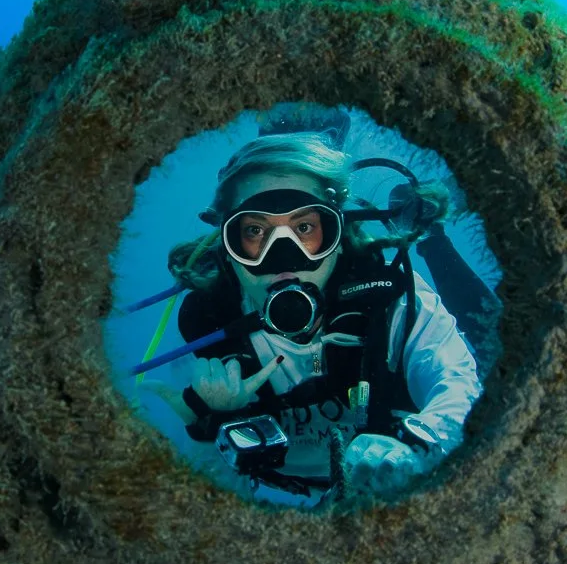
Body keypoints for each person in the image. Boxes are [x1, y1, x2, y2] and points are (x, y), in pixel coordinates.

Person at [143, 129, 484, 505]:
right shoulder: (204, 329)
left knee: (488, 341)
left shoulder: (392, 298)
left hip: (391, 492)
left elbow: (457, 383)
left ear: (336, 233)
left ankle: (433, 238)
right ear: (229, 243)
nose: (283, 257)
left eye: (305, 228)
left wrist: (417, 446)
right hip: (278, 499)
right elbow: (196, 493)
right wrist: (205, 424)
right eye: (256, 231)